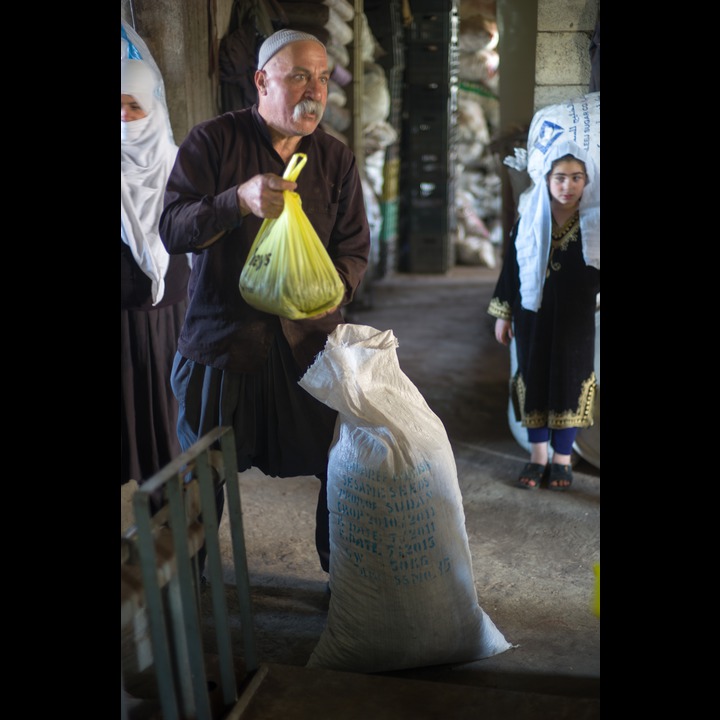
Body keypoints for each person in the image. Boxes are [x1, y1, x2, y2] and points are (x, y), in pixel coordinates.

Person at [159, 29, 371, 576]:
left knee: (340, 465)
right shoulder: (212, 143)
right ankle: (190, 584)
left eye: (322, 78)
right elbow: (173, 229)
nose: (315, 91)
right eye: (299, 75)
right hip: (223, 345)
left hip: (307, 347)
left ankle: (339, 577)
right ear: (261, 80)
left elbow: (353, 251)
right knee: (201, 476)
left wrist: (329, 291)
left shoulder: (335, 159)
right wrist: (236, 201)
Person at [488, 148, 600, 491]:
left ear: (587, 181)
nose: (567, 186)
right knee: (533, 378)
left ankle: (562, 460)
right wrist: (503, 313)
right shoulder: (530, 220)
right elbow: (511, 270)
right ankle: (538, 457)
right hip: (531, 318)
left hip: (576, 321)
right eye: (560, 178)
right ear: (548, 180)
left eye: (576, 178)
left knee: (571, 381)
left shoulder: (595, 225)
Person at [121, 58, 191, 490]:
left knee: (168, 436)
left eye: (134, 107)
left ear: (154, 109)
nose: (124, 119)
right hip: (122, 326)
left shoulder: (181, 168)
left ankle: (175, 536)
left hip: (169, 321)